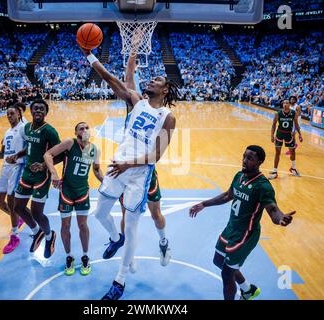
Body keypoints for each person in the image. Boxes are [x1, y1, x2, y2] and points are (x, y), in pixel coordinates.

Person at [80, 45, 178, 300]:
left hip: (139, 173)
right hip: (119, 165)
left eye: (157, 80)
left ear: (165, 90)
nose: (152, 80)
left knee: (132, 226)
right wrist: (90, 55)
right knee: (100, 213)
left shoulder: (167, 117)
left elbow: (156, 156)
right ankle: (115, 238)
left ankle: (120, 281)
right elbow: (110, 78)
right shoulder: (136, 100)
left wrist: (129, 164)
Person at [189, 145, 296, 300]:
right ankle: (247, 290)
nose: (245, 161)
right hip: (231, 228)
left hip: (246, 235)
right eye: (244, 156)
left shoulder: (263, 186)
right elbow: (227, 195)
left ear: (259, 162)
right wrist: (204, 204)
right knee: (218, 260)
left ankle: (242, 294)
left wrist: (281, 219)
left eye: (250, 158)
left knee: (227, 273)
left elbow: (273, 210)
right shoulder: (239, 176)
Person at [119, 54, 171, 268]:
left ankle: (164, 241)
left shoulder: (163, 115)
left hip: (145, 170)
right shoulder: (135, 103)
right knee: (125, 213)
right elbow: (129, 75)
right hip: (124, 167)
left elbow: (158, 152)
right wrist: (132, 50)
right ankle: (128, 255)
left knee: (155, 212)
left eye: (157, 81)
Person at [44, 122, 103, 276]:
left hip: (82, 191)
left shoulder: (95, 149)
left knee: (83, 225)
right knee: (65, 226)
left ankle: (85, 255)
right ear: (76, 132)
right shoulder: (70, 143)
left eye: (87, 127)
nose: (85, 130)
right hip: (67, 192)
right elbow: (47, 155)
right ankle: (68, 256)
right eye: (81, 128)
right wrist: (54, 174)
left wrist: (107, 183)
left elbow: (96, 170)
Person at [11, 99, 60, 259]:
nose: (38, 111)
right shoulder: (27, 128)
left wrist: (44, 166)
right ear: (31, 112)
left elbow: (59, 154)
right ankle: (36, 231)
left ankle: (49, 235)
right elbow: (30, 146)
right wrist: (19, 154)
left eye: (41, 109)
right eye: (35, 108)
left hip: (42, 177)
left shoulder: (50, 131)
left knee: (37, 213)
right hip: (27, 173)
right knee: (17, 207)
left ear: (46, 113)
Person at [0, 105, 26, 254]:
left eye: (12, 113)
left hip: (17, 167)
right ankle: (17, 218)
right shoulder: (7, 131)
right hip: (5, 168)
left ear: (18, 114)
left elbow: (30, 148)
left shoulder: (24, 128)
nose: (9, 115)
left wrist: (17, 157)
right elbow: (2, 154)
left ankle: (14, 235)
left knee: (11, 201)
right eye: (8, 113)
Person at [269, 99, 303, 179]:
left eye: (287, 103)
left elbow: (296, 124)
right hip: (280, 134)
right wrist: (272, 135)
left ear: (289, 105)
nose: (285, 104)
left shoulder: (293, 113)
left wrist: (300, 134)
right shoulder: (278, 113)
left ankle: (293, 168)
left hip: (289, 134)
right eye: (284, 103)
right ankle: (274, 171)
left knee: (292, 152)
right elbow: (273, 125)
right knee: (277, 152)